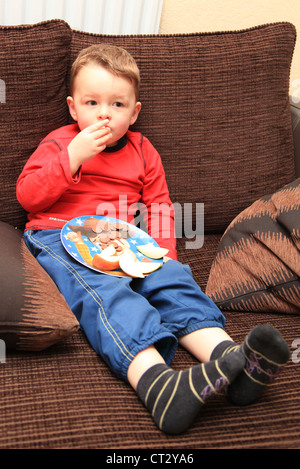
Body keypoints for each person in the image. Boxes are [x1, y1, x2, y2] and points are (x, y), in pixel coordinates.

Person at [16, 44, 290, 435]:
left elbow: (159, 208)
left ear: (135, 111)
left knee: (172, 281)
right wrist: (71, 158)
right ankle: (157, 383)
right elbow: (27, 196)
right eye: (92, 103)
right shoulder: (60, 142)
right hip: (60, 233)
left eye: (117, 104)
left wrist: (166, 256)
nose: (104, 113)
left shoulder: (144, 151)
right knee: (108, 292)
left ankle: (233, 361)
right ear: (74, 107)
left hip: (125, 239)